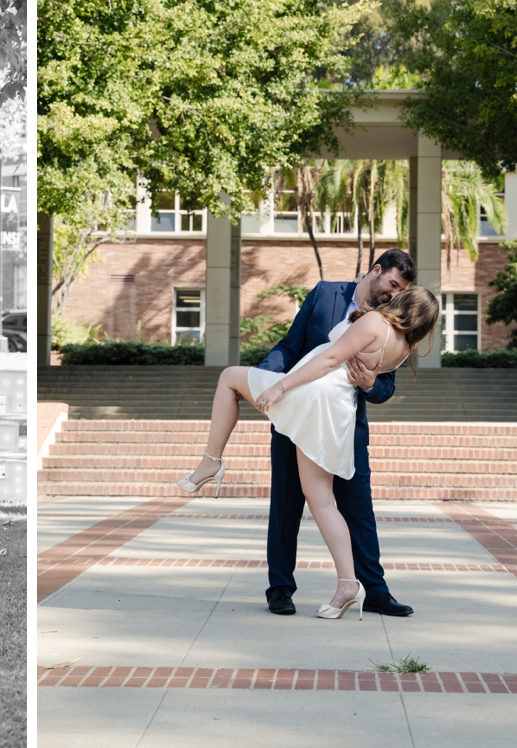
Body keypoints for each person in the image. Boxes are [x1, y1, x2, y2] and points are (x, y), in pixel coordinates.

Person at [179, 249, 420, 616]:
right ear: (376, 270)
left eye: (400, 290)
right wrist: (269, 381)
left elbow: (386, 385)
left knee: (358, 510)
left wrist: (371, 383)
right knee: (286, 503)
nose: (393, 294)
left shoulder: (385, 323)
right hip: (295, 402)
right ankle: (280, 589)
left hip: (343, 423)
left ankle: (375, 590)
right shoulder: (325, 293)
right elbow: (290, 345)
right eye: (391, 284)